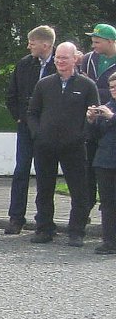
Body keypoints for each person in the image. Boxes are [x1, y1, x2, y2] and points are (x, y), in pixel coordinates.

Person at [27, 42, 98, 244]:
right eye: (58, 57)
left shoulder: (87, 85)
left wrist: (83, 134)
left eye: (65, 58)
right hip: (45, 146)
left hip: (74, 147)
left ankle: (76, 231)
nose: (60, 62)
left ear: (75, 59)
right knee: (44, 189)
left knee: (79, 190)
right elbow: (32, 113)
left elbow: (94, 114)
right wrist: (38, 134)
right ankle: (44, 228)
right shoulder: (44, 84)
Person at [5, 26, 57, 234]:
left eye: (32, 43)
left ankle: (44, 220)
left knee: (46, 173)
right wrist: (19, 116)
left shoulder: (59, 64)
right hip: (26, 126)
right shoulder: (25, 64)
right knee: (21, 171)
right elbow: (12, 94)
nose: (28, 46)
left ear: (46, 44)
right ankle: (16, 217)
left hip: (50, 129)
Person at [78, 24, 116, 223]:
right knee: (88, 170)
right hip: (92, 121)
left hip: (111, 124)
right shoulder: (88, 59)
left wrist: (93, 89)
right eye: (92, 41)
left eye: (97, 42)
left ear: (111, 41)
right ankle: (84, 212)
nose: (93, 46)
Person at [86, 98, 116, 254]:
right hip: (105, 161)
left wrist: (112, 117)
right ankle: (109, 241)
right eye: (111, 87)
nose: (113, 89)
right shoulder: (107, 106)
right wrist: (92, 121)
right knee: (107, 203)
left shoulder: (109, 111)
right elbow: (94, 137)